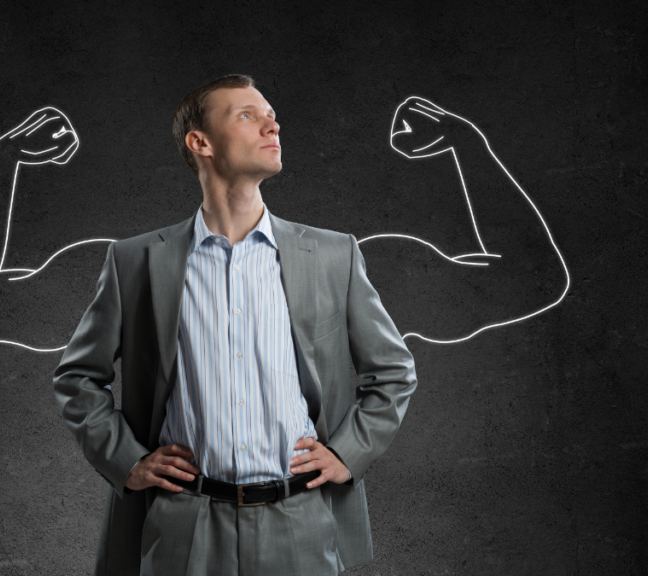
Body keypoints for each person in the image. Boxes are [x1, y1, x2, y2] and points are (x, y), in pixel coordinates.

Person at [53, 74, 417, 576]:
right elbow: (77, 376)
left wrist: (347, 452)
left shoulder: (334, 254)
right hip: (184, 525)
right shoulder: (135, 261)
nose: (273, 122)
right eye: (246, 114)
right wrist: (128, 461)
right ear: (199, 142)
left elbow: (393, 370)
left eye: (269, 112)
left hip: (301, 522)